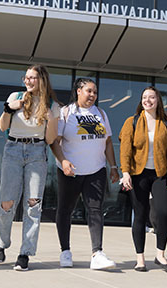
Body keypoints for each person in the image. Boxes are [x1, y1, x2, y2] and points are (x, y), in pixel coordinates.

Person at [0, 65, 60, 271]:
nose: (28, 81)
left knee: (33, 204)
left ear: (42, 80)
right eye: (26, 77)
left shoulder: (52, 105)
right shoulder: (16, 96)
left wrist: (50, 119)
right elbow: (3, 127)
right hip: (13, 149)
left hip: (37, 152)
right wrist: (8, 108)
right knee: (7, 202)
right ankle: (1, 241)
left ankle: (25, 253)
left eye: (33, 78)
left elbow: (50, 139)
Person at [50, 78, 120, 270]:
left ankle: (97, 253)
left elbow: (107, 142)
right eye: (89, 91)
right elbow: (55, 141)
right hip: (70, 171)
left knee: (96, 210)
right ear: (79, 91)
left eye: (95, 92)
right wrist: (63, 161)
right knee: (65, 210)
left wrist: (113, 167)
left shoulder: (101, 114)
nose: (92, 95)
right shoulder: (67, 113)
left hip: (96, 170)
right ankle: (65, 251)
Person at [119, 86, 167, 273]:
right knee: (140, 214)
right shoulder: (133, 122)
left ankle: (160, 255)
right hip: (138, 174)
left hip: (160, 174)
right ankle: (140, 259)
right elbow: (125, 150)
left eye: (151, 97)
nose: (148, 100)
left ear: (158, 100)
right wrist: (125, 172)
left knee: (164, 213)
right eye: (144, 97)